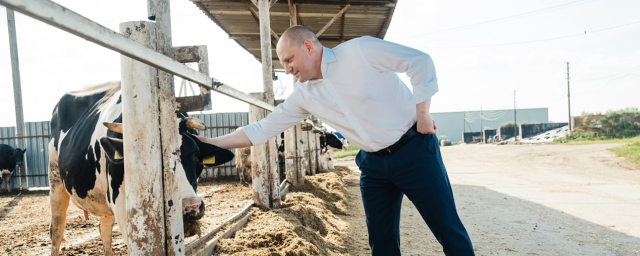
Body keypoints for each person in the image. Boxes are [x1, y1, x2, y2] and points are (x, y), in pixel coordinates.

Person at [196, 25, 474, 255]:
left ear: (308, 46)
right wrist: (211, 143)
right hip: (373, 165)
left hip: (413, 150)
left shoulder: (361, 50)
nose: (288, 70)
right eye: (284, 65)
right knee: (381, 242)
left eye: (289, 60)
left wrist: (422, 113)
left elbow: (420, 61)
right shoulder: (304, 95)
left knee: (447, 229)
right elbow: (262, 128)